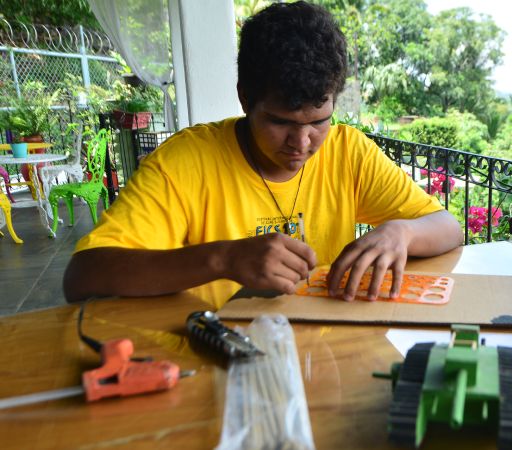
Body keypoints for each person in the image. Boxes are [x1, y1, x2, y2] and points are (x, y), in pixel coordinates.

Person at [63, 1, 462, 308]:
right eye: (281, 122)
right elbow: (83, 276)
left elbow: (449, 228)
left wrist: (402, 231)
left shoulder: (349, 152)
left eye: (318, 122)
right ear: (245, 99)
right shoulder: (185, 161)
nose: (302, 143)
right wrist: (224, 258)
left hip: (324, 356)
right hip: (216, 359)